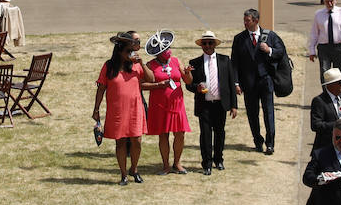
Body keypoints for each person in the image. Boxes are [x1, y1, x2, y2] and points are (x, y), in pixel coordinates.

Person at [92, 31, 153, 185]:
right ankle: (124, 174)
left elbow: (151, 79)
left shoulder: (136, 65)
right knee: (120, 142)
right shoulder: (109, 66)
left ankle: (134, 169)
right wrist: (96, 109)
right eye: (128, 51)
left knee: (137, 141)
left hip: (135, 109)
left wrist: (142, 63)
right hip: (117, 111)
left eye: (132, 51)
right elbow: (101, 89)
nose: (131, 54)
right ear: (119, 51)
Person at [230, 8, 284, 155]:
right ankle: (258, 141)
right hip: (248, 83)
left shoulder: (269, 36)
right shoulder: (239, 39)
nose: (245, 23)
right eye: (244, 20)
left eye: (247, 20)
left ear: (256, 21)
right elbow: (234, 63)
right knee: (252, 114)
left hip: (266, 81)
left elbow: (281, 51)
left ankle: (270, 143)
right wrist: (236, 83)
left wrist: (269, 50)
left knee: (269, 112)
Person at [187, 30, 238, 175]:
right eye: (205, 43)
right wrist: (196, 87)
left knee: (220, 133)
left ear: (215, 44)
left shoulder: (224, 60)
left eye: (210, 43)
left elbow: (231, 84)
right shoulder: (195, 63)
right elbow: (189, 84)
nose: (208, 46)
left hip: (220, 104)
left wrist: (234, 105)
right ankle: (207, 163)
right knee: (205, 135)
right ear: (201, 45)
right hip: (204, 105)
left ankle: (218, 160)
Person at [143, 30, 191, 175]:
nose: (168, 51)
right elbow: (142, 85)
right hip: (159, 104)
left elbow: (188, 81)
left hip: (177, 103)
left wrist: (188, 72)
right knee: (163, 134)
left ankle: (177, 163)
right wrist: (159, 85)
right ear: (158, 53)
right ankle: (166, 165)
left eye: (168, 48)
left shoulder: (176, 61)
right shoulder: (150, 65)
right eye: (165, 50)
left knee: (180, 133)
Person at [307, 0, 341, 77]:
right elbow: (314, 33)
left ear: (336, 1)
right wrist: (312, 51)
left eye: (332, 1)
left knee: (340, 73)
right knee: (325, 74)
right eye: (327, 1)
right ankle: (326, 91)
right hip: (324, 48)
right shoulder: (318, 14)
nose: (330, 4)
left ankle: (339, 90)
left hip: (339, 47)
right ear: (324, 2)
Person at [310, 68, 341, 152]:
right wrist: (337, 124)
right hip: (326, 148)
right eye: (340, 82)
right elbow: (315, 125)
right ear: (331, 85)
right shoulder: (319, 101)